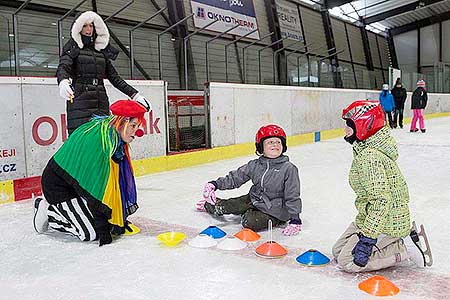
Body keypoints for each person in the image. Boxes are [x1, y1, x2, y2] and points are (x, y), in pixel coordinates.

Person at [332, 100, 433, 272]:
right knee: (337, 251)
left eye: (349, 125)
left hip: (387, 222)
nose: (345, 129)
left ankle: (403, 246)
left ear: (363, 126)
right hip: (369, 217)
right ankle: (392, 241)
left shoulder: (369, 157)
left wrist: (368, 238)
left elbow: (380, 201)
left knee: (347, 262)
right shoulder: (366, 149)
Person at [33, 100, 146, 246]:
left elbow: (113, 184)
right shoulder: (99, 140)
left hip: (76, 185)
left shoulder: (112, 137)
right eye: (133, 126)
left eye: (137, 126)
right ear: (121, 123)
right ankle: (49, 210)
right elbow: (95, 189)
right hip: (59, 187)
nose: (136, 132)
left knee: (102, 224)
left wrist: (119, 221)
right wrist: (104, 232)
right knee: (90, 234)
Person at [195, 124, 302, 236]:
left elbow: (292, 195)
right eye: (270, 142)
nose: (275, 145)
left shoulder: (288, 168)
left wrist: (295, 219)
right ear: (261, 147)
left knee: (249, 222)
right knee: (226, 205)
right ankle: (210, 205)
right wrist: (215, 184)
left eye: (278, 142)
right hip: (253, 199)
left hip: (275, 211)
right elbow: (236, 178)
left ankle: (249, 213)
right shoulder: (254, 165)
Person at [56, 11, 150, 135]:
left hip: (101, 101)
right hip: (80, 100)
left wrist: (135, 95)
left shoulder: (100, 52)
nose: (88, 29)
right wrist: (63, 81)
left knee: (102, 139)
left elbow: (115, 78)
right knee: (81, 141)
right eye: (85, 25)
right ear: (78, 27)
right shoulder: (72, 48)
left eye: (91, 25)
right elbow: (63, 67)